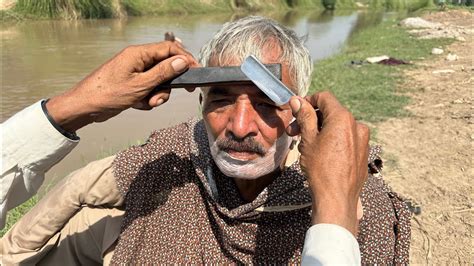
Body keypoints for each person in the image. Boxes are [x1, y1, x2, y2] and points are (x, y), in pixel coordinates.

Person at [1, 16, 410, 264]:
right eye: (221, 99)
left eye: (267, 103)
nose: (240, 126)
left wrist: (333, 209)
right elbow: (80, 187)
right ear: (199, 104)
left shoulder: (348, 205)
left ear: (299, 111)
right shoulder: (179, 150)